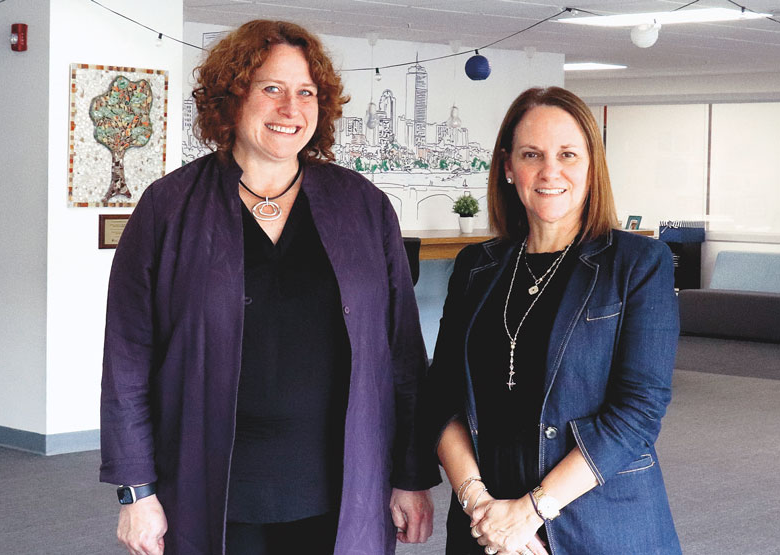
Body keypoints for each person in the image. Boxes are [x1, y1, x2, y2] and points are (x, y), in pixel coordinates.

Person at [100, 20, 438, 555]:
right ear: (231, 99)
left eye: (306, 92)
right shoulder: (169, 208)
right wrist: (136, 492)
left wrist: (412, 474)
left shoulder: (362, 207)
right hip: (210, 485)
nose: (291, 108)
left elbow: (401, 353)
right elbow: (127, 360)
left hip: (345, 485)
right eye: (271, 89)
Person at [424, 87, 681, 555]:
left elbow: (638, 413)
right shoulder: (475, 267)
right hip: (486, 523)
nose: (550, 171)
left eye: (568, 154)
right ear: (507, 166)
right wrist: (480, 505)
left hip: (598, 520)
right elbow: (442, 396)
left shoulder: (639, 263)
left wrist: (529, 513)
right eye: (531, 154)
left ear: (591, 165)